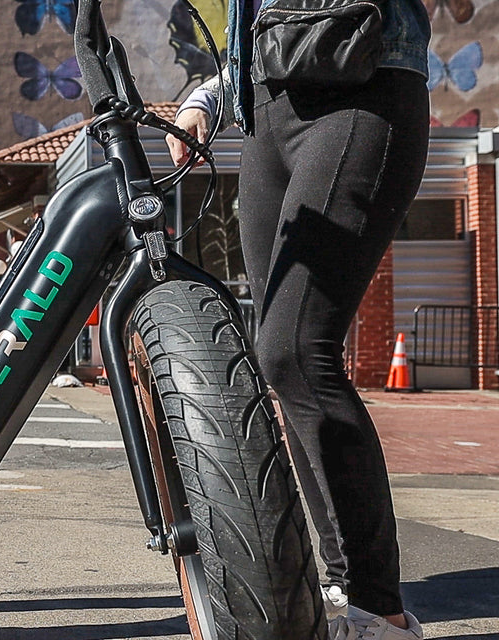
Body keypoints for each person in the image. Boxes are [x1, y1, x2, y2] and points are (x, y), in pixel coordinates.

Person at [165, 1, 430, 638]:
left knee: (295, 350)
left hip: (363, 78)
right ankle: (345, 588)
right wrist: (208, 93)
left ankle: (381, 611)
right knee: (274, 358)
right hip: (264, 105)